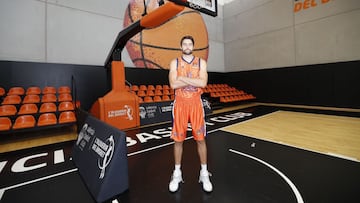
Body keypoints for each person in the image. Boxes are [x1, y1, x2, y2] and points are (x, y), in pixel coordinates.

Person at [168, 35, 213, 193]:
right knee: (178, 140)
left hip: (196, 104)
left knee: (200, 139)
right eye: (184, 44)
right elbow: (173, 84)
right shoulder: (175, 62)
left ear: (193, 46)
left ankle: (204, 173)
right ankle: (177, 173)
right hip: (180, 104)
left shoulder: (201, 62)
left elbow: (203, 83)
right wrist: (193, 80)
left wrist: (182, 78)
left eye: (190, 44)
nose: (187, 46)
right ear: (181, 47)